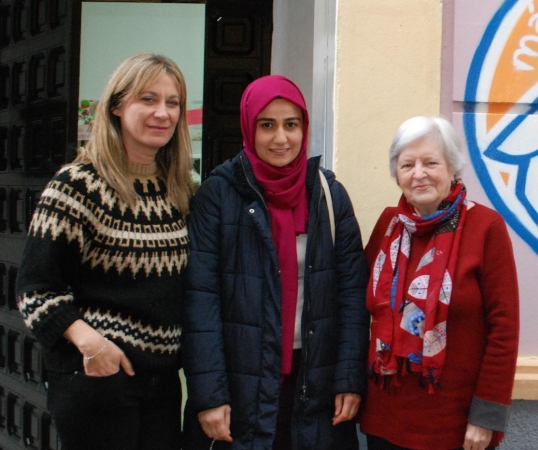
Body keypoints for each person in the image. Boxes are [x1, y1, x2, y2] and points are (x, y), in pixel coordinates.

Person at [15, 53, 195, 450]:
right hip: (98, 381)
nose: (162, 113)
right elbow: (35, 290)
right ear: (116, 106)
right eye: (147, 99)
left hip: (163, 385)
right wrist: (94, 346)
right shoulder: (77, 186)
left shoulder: (180, 190)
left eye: (172, 102)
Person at [182, 74, 369, 450]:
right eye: (267, 125)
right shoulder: (218, 195)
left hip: (314, 383)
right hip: (240, 384)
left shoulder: (328, 195)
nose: (281, 138)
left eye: (291, 125)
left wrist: (349, 377)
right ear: (249, 128)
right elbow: (200, 299)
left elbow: (352, 295)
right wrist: (210, 393)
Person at [359, 116, 520, 450]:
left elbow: (504, 330)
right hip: (385, 417)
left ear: (453, 168)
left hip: (456, 425)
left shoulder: (486, 227)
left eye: (431, 162)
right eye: (407, 164)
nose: (419, 173)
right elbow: (357, 309)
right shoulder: (388, 226)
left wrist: (486, 416)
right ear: (397, 173)